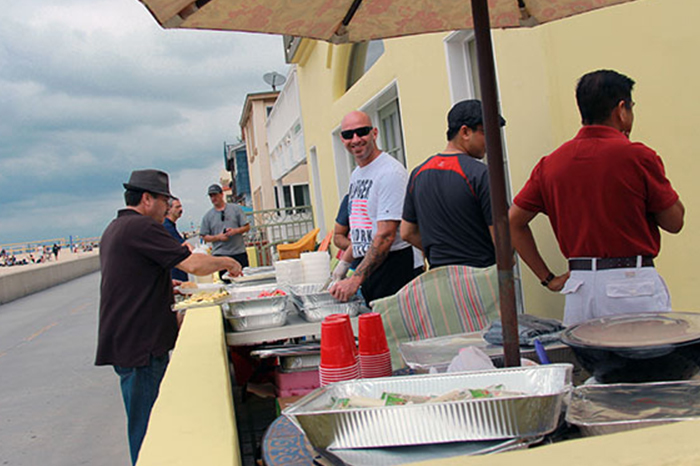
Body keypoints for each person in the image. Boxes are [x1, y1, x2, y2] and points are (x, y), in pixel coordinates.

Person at [509, 69, 684, 326]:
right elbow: (674, 222)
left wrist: (547, 278)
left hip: (579, 286)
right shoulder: (637, 156)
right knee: (642, 363)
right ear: (621, 109)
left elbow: (513, 221)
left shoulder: (551, 163)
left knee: (591, 364)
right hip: (632, 284)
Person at [95, 169, 242, 465]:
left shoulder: (116, 227)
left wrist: (163, 284)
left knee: (144, 424)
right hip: (141, 346)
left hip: (128, 343)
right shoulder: (143, 227)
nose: (167, 207)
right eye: (164, 200)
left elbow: (132, 276)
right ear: (147, 199)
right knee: (147, 431)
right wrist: (228, 261)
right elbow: (192, 264)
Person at [401, 99, 505, 269]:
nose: (492, 141)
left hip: (440, 279)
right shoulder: (480, 174)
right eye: (487, 132)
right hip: (480, 277)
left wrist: (440, 253)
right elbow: (502, 241)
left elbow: (407, 232)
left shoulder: (418, 174)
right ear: (465, 132)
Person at [329, 111, 415, 304]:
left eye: (362, 132)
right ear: (342, 139)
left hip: (393, 266)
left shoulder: (390, 172)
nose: (355, 139)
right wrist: (343, 266)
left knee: (390, 332)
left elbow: (386, 236)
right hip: (368, 266)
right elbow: (363, 231)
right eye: (348, 135)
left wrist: (355, 280)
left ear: (374, 133)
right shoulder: (357, 174)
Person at [199, 184, 251, 281]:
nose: (213, 198)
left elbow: (247, 227)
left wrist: (235, 231)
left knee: (244, 280)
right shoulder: (207, 216)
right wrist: (218, 237)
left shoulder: (236, 209)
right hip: (220, 255)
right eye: (211, 196)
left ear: (221, 195)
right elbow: (204, 236)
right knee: (226, 283)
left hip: (238, 253)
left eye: (215, 195)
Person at [163, 197, 191, 282]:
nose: (181, 209)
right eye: (177, 207)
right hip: (175, 275)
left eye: (181, 206)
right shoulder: (167, 227)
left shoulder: (171, 226)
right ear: (169, 209)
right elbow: (184, 247)